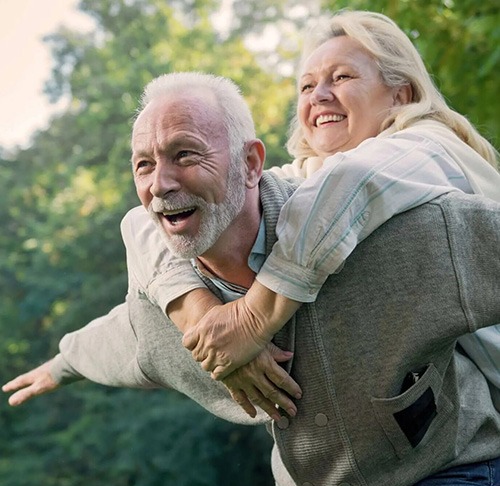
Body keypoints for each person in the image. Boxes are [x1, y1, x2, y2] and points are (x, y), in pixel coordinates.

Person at [4, 72, 500, 486]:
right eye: (145, 165)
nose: (161, 184)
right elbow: (117, 339)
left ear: (251, 164)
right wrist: (62, 362)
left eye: (185, 154)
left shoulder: (384, 239)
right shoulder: (167, 312)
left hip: (453, 472)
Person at [121, 11, 500, 391]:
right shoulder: (312, 175)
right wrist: (204, 319)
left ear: (401, 95)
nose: (319, 96)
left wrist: (251, 321)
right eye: (306, 86)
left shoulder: (432, 146)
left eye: (341, 77)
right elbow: (142, 223)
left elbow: (354, 181)